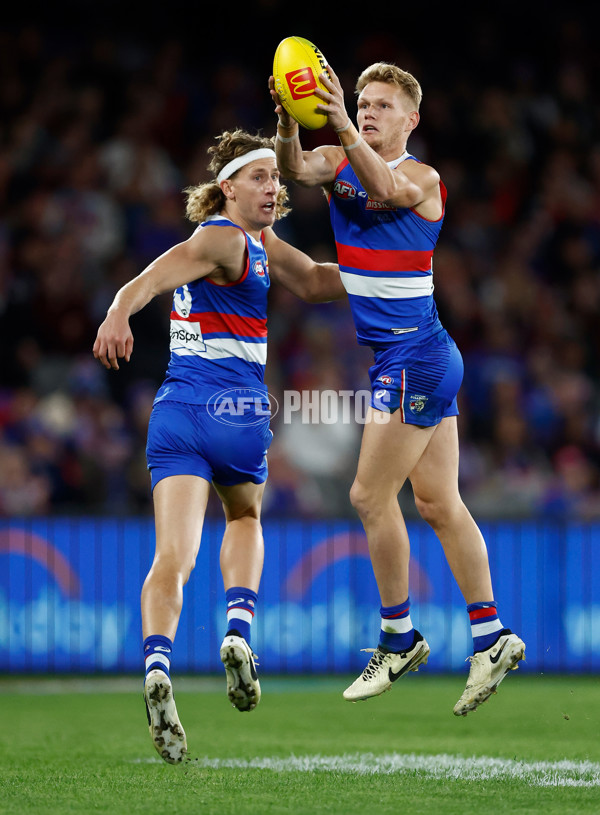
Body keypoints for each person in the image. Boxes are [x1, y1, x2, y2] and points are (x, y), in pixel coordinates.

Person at [270, 62, 525, 715]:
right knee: (438, 502)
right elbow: (296, 169)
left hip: (418, 356)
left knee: (367, 493)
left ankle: (398, 634)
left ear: (411, 120)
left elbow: (383, 184)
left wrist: (346, 127)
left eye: (384, 105)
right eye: (363, 102)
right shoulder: (337, 156)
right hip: (409, 356)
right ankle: (491, 636)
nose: (370, 111)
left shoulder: (422, 177)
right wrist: (287, 120)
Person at [93, 128, 344, 763]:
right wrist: (119, 310)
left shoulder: (257, 242)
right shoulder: (222, 236)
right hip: (236, 410)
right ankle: (238, 630)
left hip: (179, 412)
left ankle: (156, 665)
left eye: (276, 178)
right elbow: (150, 277)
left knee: (171, 559)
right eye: (260, 177)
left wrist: (389, 275)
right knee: (246, 515)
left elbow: (315, 280)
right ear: (226, 187)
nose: (274, 186)